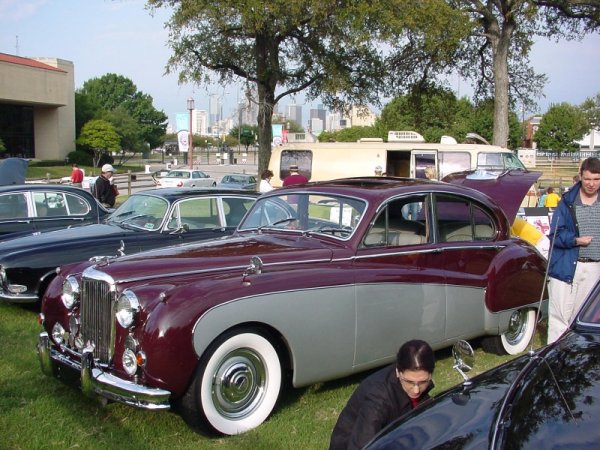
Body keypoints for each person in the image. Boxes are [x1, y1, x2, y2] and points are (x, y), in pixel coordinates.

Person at [329, 340, 435, 450]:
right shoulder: (379, 399)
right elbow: (361, 445)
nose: (416, 390)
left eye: (423, 382)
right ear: (398, 372)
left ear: (430, 375)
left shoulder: (414, 385)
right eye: (409, 382)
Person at [547, 157, 600, 344]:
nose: (591, 184)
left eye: (596, 179)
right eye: (587, 179)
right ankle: (553, 357)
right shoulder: (567, 202)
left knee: (581, 318)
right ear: (580, 177)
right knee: (559, 317)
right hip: (566, 266)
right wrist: (575, 240)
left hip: (594, 269)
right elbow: (555, 235)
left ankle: (576, 358)